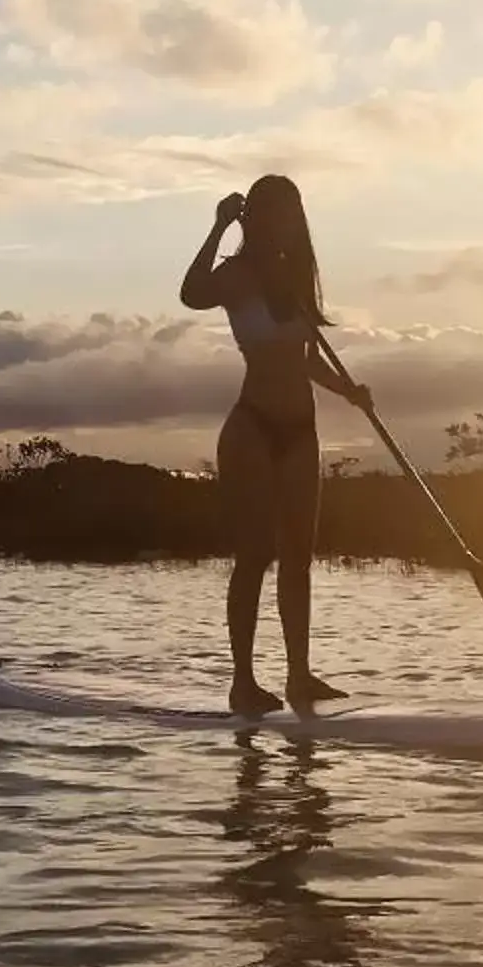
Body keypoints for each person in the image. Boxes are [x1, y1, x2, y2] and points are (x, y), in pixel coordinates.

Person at [179, 174, 372, 717]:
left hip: (301, 432)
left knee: (299, 560)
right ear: (258, 218)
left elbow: (306, 361)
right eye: (277, 213)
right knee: (255, 556)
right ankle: (243, 682)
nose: (287, 222)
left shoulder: (294, 280)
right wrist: (218, 226)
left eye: (294, 213)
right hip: (253, 428)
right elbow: (191, 294)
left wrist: (349, 392)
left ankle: (299, 677)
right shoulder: (237, 276)